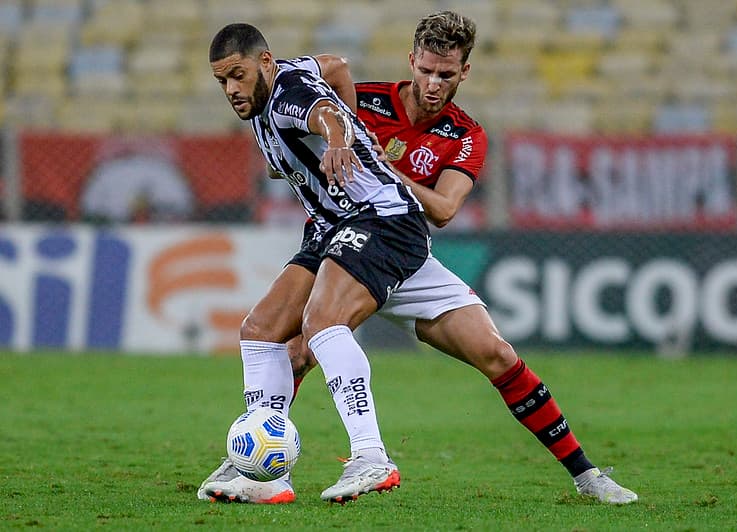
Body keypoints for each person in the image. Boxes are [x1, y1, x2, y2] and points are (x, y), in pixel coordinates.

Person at [200, 13, 638, 505]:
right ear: (412, 63)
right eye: (426, 71)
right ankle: (261, 467)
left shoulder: (465, 134)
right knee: (271, 334)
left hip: (392, 232)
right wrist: (321, 149)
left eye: (446, 75)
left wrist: (352, 148)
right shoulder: (364, 98)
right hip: (343, 234)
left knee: (494, 354)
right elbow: (335, 73)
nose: (433, 83)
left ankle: (586, 475)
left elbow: (445, 208)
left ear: (463, 73)